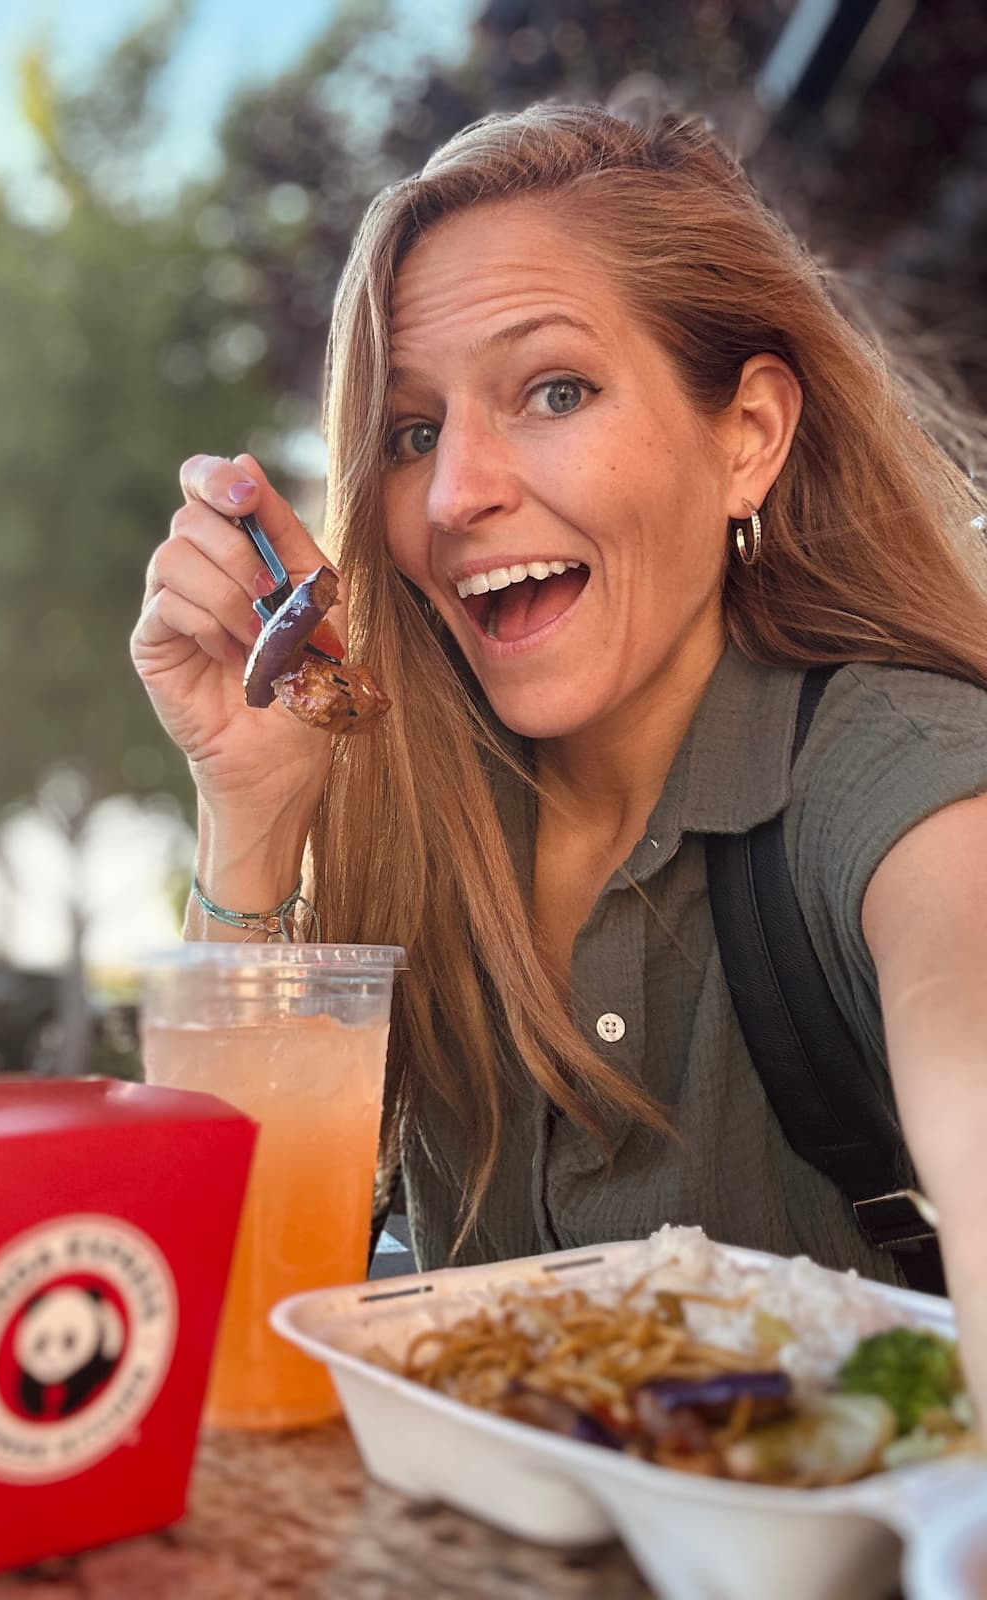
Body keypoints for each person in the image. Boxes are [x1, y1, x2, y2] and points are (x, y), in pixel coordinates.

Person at [130, 104, 987, 1418]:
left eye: (554, 390)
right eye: (412, 432)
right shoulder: (426, 826)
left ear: (746, 436)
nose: (456, 489)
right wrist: (249, 810)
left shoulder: (897, 774)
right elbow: (204, 1324)